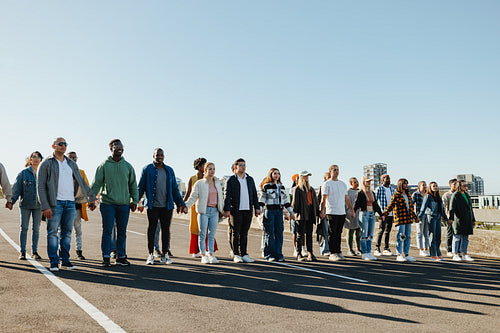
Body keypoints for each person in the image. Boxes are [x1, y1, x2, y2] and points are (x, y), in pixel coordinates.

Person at [38, 138, 96, 271]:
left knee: (67, 233)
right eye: (60, 144)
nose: (63, 146)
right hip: (54, 203)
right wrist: (45, 206)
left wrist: (91, 198)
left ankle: (65, 260)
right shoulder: (46, 163)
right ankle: (54, 261)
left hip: (70, 203)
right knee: (52, 233)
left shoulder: (71, 163)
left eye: (65, 144)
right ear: (53, 146)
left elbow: (82, 182)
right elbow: (40, 186)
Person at [91, 139, 138, 267]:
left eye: (121, 146)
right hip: (108, 204)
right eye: (116, 146)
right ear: (110, 149)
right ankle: (106, 257)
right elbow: (96, 184)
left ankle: (121, 257)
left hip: (123, 204)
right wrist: (91, 199)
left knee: (122, 231)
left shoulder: (128, 166)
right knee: (107, 230)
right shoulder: (104, 166)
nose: (119, 148)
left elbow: (133, 185)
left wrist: (134, 200)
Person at [137, 148, 187, 265]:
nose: (159, 157)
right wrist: (136, 201)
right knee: (152, 229)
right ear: (153, 156)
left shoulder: (169, 170)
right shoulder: (147, 169)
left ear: (164, 156)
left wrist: (181, 204)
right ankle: (150, 254)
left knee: (166, 231)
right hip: (152, 206)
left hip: (167, 206)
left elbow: (175, 189)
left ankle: (165, 255)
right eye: (157, 155)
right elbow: (141, 187)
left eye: (161, 155)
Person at [184, 162, 224, 264]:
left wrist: (222, 210)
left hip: (214, 211)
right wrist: (186, 206)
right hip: (203, 211)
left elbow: (221, 197)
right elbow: (193, 197)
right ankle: (203, 255)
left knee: (211, 234)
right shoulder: (199, 183)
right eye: (210, 169)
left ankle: (210, 254)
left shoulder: (218, 182)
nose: (212, 171)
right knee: (202, 234)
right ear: (205, 170)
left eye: (213, 169)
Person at [223, 158, 260, 263]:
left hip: (247, 210)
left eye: (244, 165)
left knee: (244, 233)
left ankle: (244, 253)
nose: (243, 167)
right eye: (241, 165)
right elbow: (227, 196)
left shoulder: (250, 179)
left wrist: (256, 207)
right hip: (235, 210)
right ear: (235, 167)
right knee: (235, 233)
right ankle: (236, 254)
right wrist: (227, 209)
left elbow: (254, 194)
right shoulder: (231, 180)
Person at [10, 152, 43, 260]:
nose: (36, 159)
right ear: (29, 160)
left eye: (38, 157)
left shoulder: (43, 173)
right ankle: (22, 252)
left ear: (41, 160)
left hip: (38, 206)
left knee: (36, 229)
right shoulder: (23, 173)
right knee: (24, 228)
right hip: (25, 205)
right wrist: (11, 201)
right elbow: (16, 189)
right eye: (34, 157)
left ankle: (35, 251)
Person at [319, 165, 355, 261]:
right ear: (330, 172)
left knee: (339, 233)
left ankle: (338, 251)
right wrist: (322, 211)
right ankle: (332, 252)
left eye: (337, 170)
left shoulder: (342, 184)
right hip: (331, 211)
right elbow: (323, 199)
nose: (336, 171)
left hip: (341, 212)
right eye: (334, 170)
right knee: (332, 232)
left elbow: (346, 198)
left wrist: (352, 209)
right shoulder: (327, 184)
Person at [259, 168, 295, 262]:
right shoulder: (266, 186)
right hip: (269, 211)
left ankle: (279, 254)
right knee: (269, 233)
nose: (276, 175)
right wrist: (259, 209)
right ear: (270, 174)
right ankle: (269, 254)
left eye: (278, 174)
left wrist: (291, 212)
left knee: (279, 233)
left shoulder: (282, 187)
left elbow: (286, 201)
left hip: (279, 212)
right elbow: (262, 199)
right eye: (274, 173)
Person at [381, 178, 419, 262]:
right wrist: (384, 214)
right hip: (400, 218)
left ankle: (406, 254)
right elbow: (391, 206)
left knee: (408, 237)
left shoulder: (408, 195)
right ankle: (399, 254)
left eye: (407, 183)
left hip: (408, 218)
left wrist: (415, 217)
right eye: (404, 183)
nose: (406, 185)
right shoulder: (396, 195)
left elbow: (411, 208)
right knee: (401, 236)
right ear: (400, 185)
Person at [66, 151, 90, 260]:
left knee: (78, 230)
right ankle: (63, 252)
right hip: (65, 206)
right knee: (65, 231)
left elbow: (87, 187)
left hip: (77, 207)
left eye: (75, 158)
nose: (73, 159)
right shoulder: (62, 172)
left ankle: (79, 251)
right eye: (71, 157)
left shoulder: (81, 173)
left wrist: (91, 201)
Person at [353, 176, 383, 260]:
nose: (369, 183)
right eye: (367, 181)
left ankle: (369, 252)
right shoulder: (360, 193)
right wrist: (353, 212)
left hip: (372, 214)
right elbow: (356, 204)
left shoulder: (372, 193)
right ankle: (364, 252)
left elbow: (375, 204)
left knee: (370, 235)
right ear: (363, 182)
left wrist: (381, 214)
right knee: (364, 234)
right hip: (363, 214)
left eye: (370, 181)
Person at [292, 171, 319, 261]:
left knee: (309, 235)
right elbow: (295, 203)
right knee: (300, 235)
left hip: (310, 214)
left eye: (307, 176)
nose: (306, 178)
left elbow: (315, 202)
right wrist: (294, 213)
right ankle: (299, 253)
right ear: (301, 177)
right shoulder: (298, 189)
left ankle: (310, 252)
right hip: (301, 215)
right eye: (305, 176)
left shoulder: (310, 189)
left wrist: (318, 213)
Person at [418, 182, 448, 261]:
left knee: (438, 237)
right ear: (430, 188)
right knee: (432, 236)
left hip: (438, 217)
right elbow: (423, 208)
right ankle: (433, 254)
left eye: (436, 186)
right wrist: (419, 216)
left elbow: (442, 210)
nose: (435, 187)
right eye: (433, 186)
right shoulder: (428, 196)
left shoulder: (439, 197)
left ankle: (438, 253)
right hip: (431, 217)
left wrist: (446, 218)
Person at [448, 180, 476, 262]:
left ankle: (464, 254)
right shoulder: (455, 195)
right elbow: (451, 208)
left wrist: (473, 219)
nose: (466, 187)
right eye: (464, 185)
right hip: (459, 219)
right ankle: (455, 254)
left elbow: (470, 208)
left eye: (466, 185)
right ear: (459, 186)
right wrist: (451, 218)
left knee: (465, 238)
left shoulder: (467, 195)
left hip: (467, 219)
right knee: (457, 237)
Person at [374, 174, 396, 256]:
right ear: (382, 180)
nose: (388, 180)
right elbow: (375, 201)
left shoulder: (392, 189)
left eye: (389, 178)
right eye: (387, 178)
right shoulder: (379, 189)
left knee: (388, 231)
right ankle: (377, 248)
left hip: (391, 214)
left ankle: (386, 248)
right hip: (383, 213)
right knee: (381, 230)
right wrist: (379, 213)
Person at [412, 181, 430, 257]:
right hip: (419, 215)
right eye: (423, 185)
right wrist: (415, 216)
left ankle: (426, 249)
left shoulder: (428, 194)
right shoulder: (415, 194)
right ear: (419, 186)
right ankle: (421, 249)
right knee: (419, 233)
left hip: (427, 214)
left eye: (425, 185)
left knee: (426, 233)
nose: (425, 186)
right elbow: (411, 204)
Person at [345, 177, 362, 256]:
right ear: (351, 183)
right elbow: (345, 203)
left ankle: (358, 248)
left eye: (357, 182)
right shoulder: (348, 192)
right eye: (355, 182)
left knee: (358, 232)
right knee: (350, 232)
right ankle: (350, 249)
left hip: (359, 213)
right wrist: (348, 212)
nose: (357, 183)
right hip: (350, 214)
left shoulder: (360, 191)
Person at [442, 179, 458, 256]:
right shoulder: (447, 195)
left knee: (458, 234)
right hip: (450, 217)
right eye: (454, 184)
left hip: (458, 218)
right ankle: (449, 250)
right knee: (450, 234)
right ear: (450, 185)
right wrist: (444, 216)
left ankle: (457, 250)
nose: (456, 185)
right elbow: (444, 205)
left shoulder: (459, 194)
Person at [316, 172, 331, 256]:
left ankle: (332, 249)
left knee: (331, 232)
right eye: (328, 177)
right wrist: (321, 212)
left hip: (332, 212)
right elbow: (318, 200)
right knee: (324, 231)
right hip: (324, 212)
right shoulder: (322, 187)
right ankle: (325, 249)